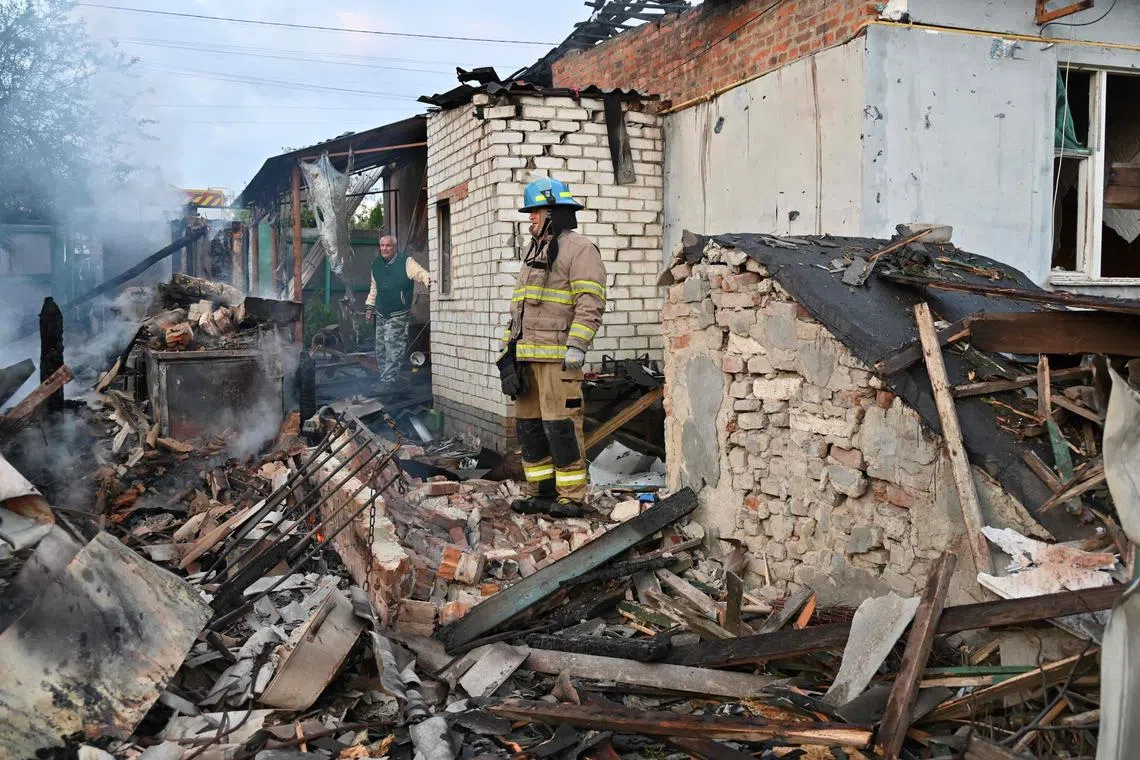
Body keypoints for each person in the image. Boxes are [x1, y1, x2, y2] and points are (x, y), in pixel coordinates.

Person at [500, 178, 607, 518]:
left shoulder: (580, 249)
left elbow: (590, 301)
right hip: (527, 360)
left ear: (552, 212)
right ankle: (541, 494)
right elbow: (519, 310)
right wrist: (507, 355)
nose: (530, 218)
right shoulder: (535, 252)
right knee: (530, 429)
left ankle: (571, 497)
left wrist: (577, 344)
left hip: (558, 361)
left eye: (534, 211)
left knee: (561, 429)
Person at [364, 234, 431, 393]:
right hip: (381, 313)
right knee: (380, 349)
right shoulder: (376, 264)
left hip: (398, 314)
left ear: (395, 247)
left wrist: (429, 281)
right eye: (382, 246)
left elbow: (421, 273)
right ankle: (385, 379)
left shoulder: (405, 262)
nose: (385, 249)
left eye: (388, 246)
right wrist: (369, 308)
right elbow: (374, 288)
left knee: (393, 348)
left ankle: (388, 384)